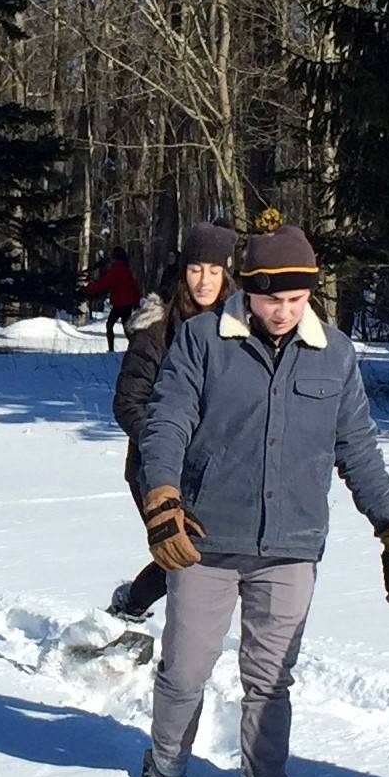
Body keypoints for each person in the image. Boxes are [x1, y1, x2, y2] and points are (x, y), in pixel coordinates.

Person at [134, 219, 389, 777]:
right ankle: (165, 768)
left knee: (270, 681)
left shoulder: (335, 353)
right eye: (271, 299)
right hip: (206, 540)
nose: (284, 312)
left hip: (291, 545)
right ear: (248, 291)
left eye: (296, 299)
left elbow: (358, 447)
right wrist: (162, 501)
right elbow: (167, 421)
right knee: (186, 666)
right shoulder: (205, 340)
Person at [107, 222, 234, 624]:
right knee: (181, 554)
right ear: (184, 271)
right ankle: (137, 616)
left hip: (216, 469)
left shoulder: (239, 328)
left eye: (215, 271)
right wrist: (167, 444)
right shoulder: (156, 329)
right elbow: (129, 402)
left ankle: (133, 605)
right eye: (197, 269)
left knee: (202, 554)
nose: (205, 281)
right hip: (155, 467)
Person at [80, 246, 144, 352]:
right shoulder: (126, 270)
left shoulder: (115, 270)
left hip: (119, 304)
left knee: (110, 325)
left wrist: (88, 289)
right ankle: (134, 347)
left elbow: (103, 283)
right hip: (127, 304)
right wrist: (136, 301)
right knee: (127, 327)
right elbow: (133, 286)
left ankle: (112, 349)